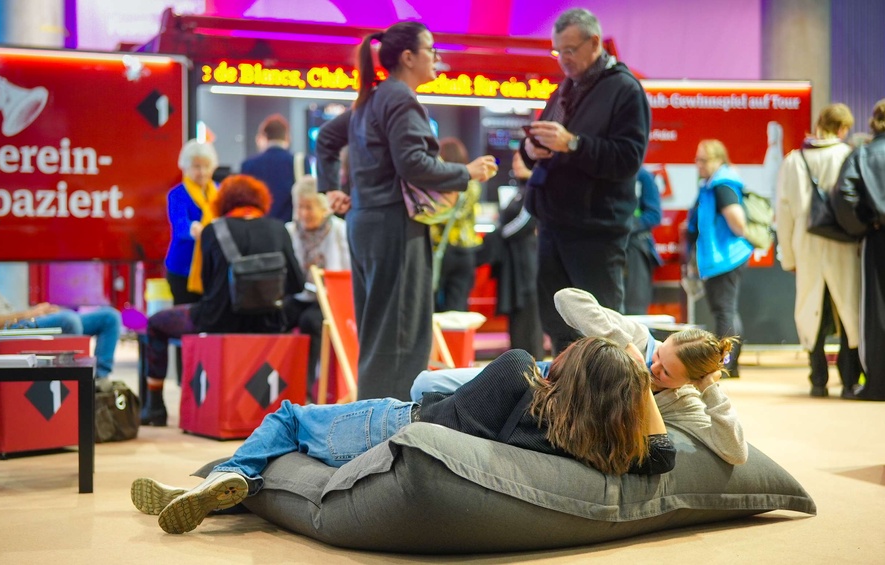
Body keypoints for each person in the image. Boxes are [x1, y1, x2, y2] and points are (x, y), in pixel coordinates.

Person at [131, 340, 675, 534]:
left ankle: (226, 477)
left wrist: (621, 360)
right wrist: (637, 383)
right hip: (403, 441)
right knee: (285, 446)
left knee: (291, 419)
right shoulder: (596, 443)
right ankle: (215, 486)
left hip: (394, 426)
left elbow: (452, 408)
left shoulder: (516, 372)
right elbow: (664, 452)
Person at [315, 21, 498, 400]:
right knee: (399, 336)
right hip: (394, 225)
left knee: (380, 333)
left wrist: (332, 189)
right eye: (430, 49)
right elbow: (413, 163)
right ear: (408, 57)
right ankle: (387, 434)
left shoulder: (373, 98)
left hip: (368, 223)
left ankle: (373, 428)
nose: (436, 57)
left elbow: (328, 140)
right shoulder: (398, 98)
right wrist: (467, 171)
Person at [412, 287, 747, 466]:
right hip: (542, 377)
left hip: (557, 416)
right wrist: (624, 346)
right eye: (658, 356)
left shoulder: (685, 401)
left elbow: (735, 452)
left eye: (666, 372)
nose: (653, 368)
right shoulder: (641, 339)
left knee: (439, 402)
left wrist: (710, 390)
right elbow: (566, 298)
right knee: (424, 384)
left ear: (689, 382)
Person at [519, 8, 650, 356]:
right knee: (557, 323)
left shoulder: (625, 89)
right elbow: (539, 142)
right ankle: (565, 400)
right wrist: (532, 146)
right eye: (558, 52)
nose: (563, 60)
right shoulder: (565, 89)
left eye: (570, 50)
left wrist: (573, 144)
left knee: (601, 328)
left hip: (595, 230)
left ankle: (607, 405)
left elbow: (628, 159)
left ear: (594, 43)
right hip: (553, 224)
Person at [141, 175, 305, 425]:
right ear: (261, 200)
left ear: (223, 202)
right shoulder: (278, 229)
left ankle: (154, 407)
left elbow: (208, 286)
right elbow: (297, 283)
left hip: (217, 320)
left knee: (155, 323)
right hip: (269, 322)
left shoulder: (212, 231)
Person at [0, 235, 122, 379]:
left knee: (109, 317)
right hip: (4, 332)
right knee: (69, 320)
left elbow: (12, 312)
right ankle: (75, 381)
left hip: (21, 324)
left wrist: (40, 313)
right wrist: (30, 313)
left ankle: (98, 378)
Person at [775, 103, 862, 398]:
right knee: (848, 309)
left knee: (812, 310)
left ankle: (817, 380)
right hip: (843, 243)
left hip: (806, 243)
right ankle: (850, 380)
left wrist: (787, 255)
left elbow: (783, 212)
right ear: (842, 128)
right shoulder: (848, 154)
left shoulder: (794, 160)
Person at [686, 140, 753, 378]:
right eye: (697, 159)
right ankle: (729, 364)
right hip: (718, 259)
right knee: (724, 310)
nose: (698, 164)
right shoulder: (711, 184)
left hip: (726, 258)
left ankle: (728, 365)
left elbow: (738, 222)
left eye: (703, 160)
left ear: (718, 160)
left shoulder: (722, 185)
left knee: (724, 310)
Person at [834, 98, 885, 401]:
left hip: (878, 238)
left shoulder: (863, 154)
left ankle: (878, 384)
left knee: (876, 310)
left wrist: (864, 225)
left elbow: (845, 195)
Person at [283, 175, 350, 394]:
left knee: (310, 322)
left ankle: (307, 390)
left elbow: (347, 271)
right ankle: (280, 385)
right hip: (299, 295)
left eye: (309, 207)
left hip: (330, 300)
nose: (303, 213)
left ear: (324, 208)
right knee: (278, 316)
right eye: (300, 207)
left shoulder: (341, 230)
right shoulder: (289, 231)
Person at [482, 152, 543, 359]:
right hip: (513, 265)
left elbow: (526, 222)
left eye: (521, 160)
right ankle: (518, 366)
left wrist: (499, 234)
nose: (516, 164)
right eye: (515, 160)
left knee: (528, 319)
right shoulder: (520, 190)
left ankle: (532, 371)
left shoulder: (535, 190)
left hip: (527, 264)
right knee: (517, 318)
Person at [432, 137, 483, 312]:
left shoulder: (439, 187)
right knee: (458, 306)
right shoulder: (473, 185)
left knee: (432, 305)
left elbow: (439, 216)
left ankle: (437, 340)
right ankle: (456, 340)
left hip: (441, 249)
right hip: (466, 251)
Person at [165, 140, 219, 303]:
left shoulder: (220, 191)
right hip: (182, 269)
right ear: (186, 167)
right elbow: (180, 224)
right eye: (196, 167)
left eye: (206, 166)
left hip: (213, 267)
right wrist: (195, 228)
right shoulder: (177, 194)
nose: (202, 172)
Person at [242, 114, 303, 223]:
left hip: (259, 228)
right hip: (288, 229)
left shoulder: (248, 165)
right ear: (287, 136)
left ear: (264, 136)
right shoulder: (299, 162)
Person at [623, 167, 663, 315]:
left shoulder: (643, 176)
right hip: (608, 247)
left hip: (636, 249)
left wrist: (625, 225)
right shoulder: (604, 172)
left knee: (635, 310)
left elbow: (654, 214)